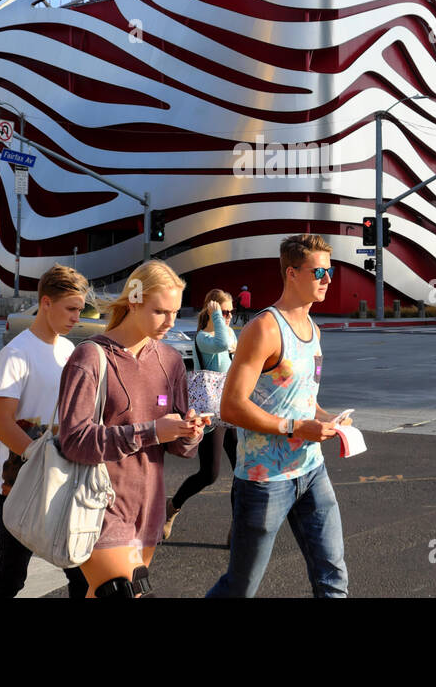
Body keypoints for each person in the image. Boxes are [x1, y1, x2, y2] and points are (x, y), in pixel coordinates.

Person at [207, 234, 351, 598]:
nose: (328, 279)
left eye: (330, 271)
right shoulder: (264, 328)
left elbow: (305, 400)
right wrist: (294, 427)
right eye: (319, 271)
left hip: (312, 470)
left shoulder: (314, 330)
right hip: (265, 479)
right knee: (240, 587)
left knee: (333, 577)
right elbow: (231, 405)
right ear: (291, 273)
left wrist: (327, 419)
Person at [56, 260, 203, 597]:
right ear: (134, 301)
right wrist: (152, 431)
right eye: (160, 312)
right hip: (97, 505)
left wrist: (189, 432)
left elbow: (180, 447)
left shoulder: (170, 360)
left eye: (175, 312)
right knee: (121, 592)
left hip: (148, 509)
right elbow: (74, 440)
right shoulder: (90, 357)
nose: (170, 322)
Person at [0, 264, 90, 598]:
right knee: (11, 577)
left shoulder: (69, 351)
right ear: (46, 302)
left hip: (62, 480)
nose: (77, 317)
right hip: (19, 484)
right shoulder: (17, 353)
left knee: (80, 574)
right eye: (71, 308)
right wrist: (40, 458)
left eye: (80, 310)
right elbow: (1, 424)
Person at [162, 289, 240, 541]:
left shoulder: (226, 332)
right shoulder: (204, 337)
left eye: (230, 312)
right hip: (211, 411)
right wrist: (216, 316)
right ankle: (172, 507)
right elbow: (222, 345)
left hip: (231, 407)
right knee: (210, 473)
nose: (228, 317)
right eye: (224, 312)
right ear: (211, 311)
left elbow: (234, 349)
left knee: (242, 470)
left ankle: (237, 528)